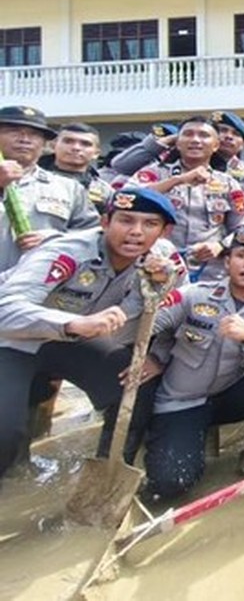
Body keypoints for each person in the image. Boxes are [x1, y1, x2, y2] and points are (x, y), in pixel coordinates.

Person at [0, 188, 180, 479]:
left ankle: (107, 476)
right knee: (5, 435)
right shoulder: (66, 253)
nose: (136, 232)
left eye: (150, 224)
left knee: (135, 384)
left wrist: (157, 355)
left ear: (164, 231)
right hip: (11, 341)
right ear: (105, 222)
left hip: (67, 343)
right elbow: (4, 309)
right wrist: (72, 323)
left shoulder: (162, 261)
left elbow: (169, 311)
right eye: (126, 220)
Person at [141, 229, 244, 498]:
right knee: (171, 484)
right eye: (241, 255)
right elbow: (149, 325)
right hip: (182, 402)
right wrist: (152, 293)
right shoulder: (193, 296)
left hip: (229, 395)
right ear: (227, 262)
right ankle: (167, 442)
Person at [130, 115, 244, 281]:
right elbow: (127, 198)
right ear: (178, 143)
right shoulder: (154, 173)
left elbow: (243, 228)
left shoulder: (229, 184)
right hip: (158, 267)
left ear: (216, 145)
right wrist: (178, 180)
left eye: (204, 135)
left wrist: (220, 246)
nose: (195, 140)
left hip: (210, 272)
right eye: (188, 134)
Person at [0, 106, 99, 272]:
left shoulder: (69, 188)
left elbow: (93, 236)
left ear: (45, 144)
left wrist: (55, 240)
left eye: (34, 134)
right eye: (14, 131)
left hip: (38, 282)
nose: (25, 139)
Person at [39, 122, 112, 214]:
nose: (76, 148)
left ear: (96, 153)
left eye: (85, 144)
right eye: (68, 141)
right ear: (53, 146)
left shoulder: (104, 190)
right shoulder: (30, 179)